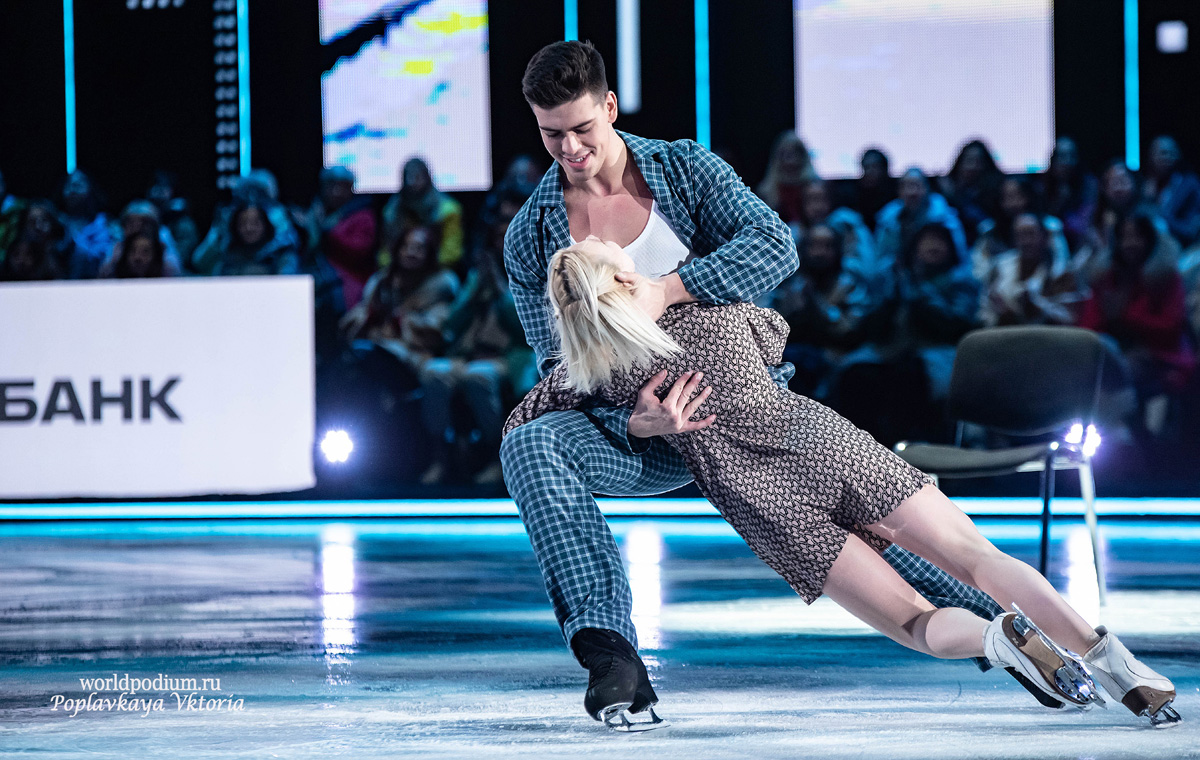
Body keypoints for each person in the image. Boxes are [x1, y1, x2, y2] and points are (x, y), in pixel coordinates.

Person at [500, 40, 1016, 730]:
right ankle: (610, 655)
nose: (570, 149)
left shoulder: (681, 169)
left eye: (582, 128)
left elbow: (773, 246)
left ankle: (1014, 635)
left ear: (611, 107)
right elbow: (555, 365)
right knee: (531, 445)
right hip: (643, 434)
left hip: (736, 403)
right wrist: (634, 422)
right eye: (551, 134)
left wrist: (667, 290)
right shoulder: (531, 235)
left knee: (859, 521)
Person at [503, 237, 1180, 728]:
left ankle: (996, 639)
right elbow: (774, 334)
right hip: (826, 445)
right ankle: (1118, 666)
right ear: (628, 277)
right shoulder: (714, 314)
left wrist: (634, 420)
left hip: (763, 501)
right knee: (980, 559)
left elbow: (521, 422)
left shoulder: (597, 372)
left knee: (915, 623)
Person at [1078, 210, 1196, 437]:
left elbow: (1170, 328)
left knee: (1120, 371)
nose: (1130, 243)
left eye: (1137, 236)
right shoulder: (1106, 278)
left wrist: (1125, 316)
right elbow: (1089, 327)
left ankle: (1122, 437)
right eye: (1124, 237)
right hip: (1111, 353)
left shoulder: (1167, 278)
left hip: (1160, 356)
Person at [980, 213, 1084, 327]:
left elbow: (1070, 318)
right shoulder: (1000, 266)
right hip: (1001, 332)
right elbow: (985, 308)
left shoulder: (1059, 272)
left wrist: (1038, 309)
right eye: (1020, 235)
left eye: (1031, 234)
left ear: (1044, 237)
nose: (1026, 241)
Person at [875, 168, 968, 272]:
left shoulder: (945, 220)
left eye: (917, 185)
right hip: (901, 276)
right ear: (899, 191)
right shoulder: (889, 220)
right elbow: (880, 258)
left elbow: (961, 258)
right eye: (907, 186)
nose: (912, 192)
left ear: (927, 189)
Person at [380, 157, 464, 270]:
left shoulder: (448, 210)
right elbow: (385, 253)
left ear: (427, 178)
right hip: (400, 270)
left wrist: (422, 266)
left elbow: (451, 253)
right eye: (408, 177)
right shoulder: (392, 211)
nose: (412, 182)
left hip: (437, 269)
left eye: (417, 177)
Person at [938, 140, 1003, 246]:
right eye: (969, 160)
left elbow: (986, 225)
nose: (972, 166)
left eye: (978, 162)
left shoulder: (997, 193)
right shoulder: (944, 191)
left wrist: (954, 196)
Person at [1040, 137, 1098, 252]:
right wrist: (1059, 200)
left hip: (1082, 245)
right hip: (1050, 247)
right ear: (1053, 160)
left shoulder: (1089, 185)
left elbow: (1085, 224)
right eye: (1061, 156)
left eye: (1071, 156)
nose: (1066, 162)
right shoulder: (1042, 187)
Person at [212, 201, 300, 276]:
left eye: (255, 223)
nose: (249, 228)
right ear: (235, 227)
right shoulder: (227, 257)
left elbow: (287, 283)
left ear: (266, 225)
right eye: (243, 223)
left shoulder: (282, 255)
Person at [1143, 135, 1200, 248]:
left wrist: (1161, 220)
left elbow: (1191, 228)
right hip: (1149, 249)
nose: (1167, 157)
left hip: (1184, 247)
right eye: (1162, 153)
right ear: (1151, 156)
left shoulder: (1189, 185)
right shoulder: (1144, 185)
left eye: (1172, 153)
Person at [754, 131, 818, 225]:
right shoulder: (765, 192)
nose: (791, 162)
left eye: (796, 154)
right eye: (786, 155)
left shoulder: (815, 189)